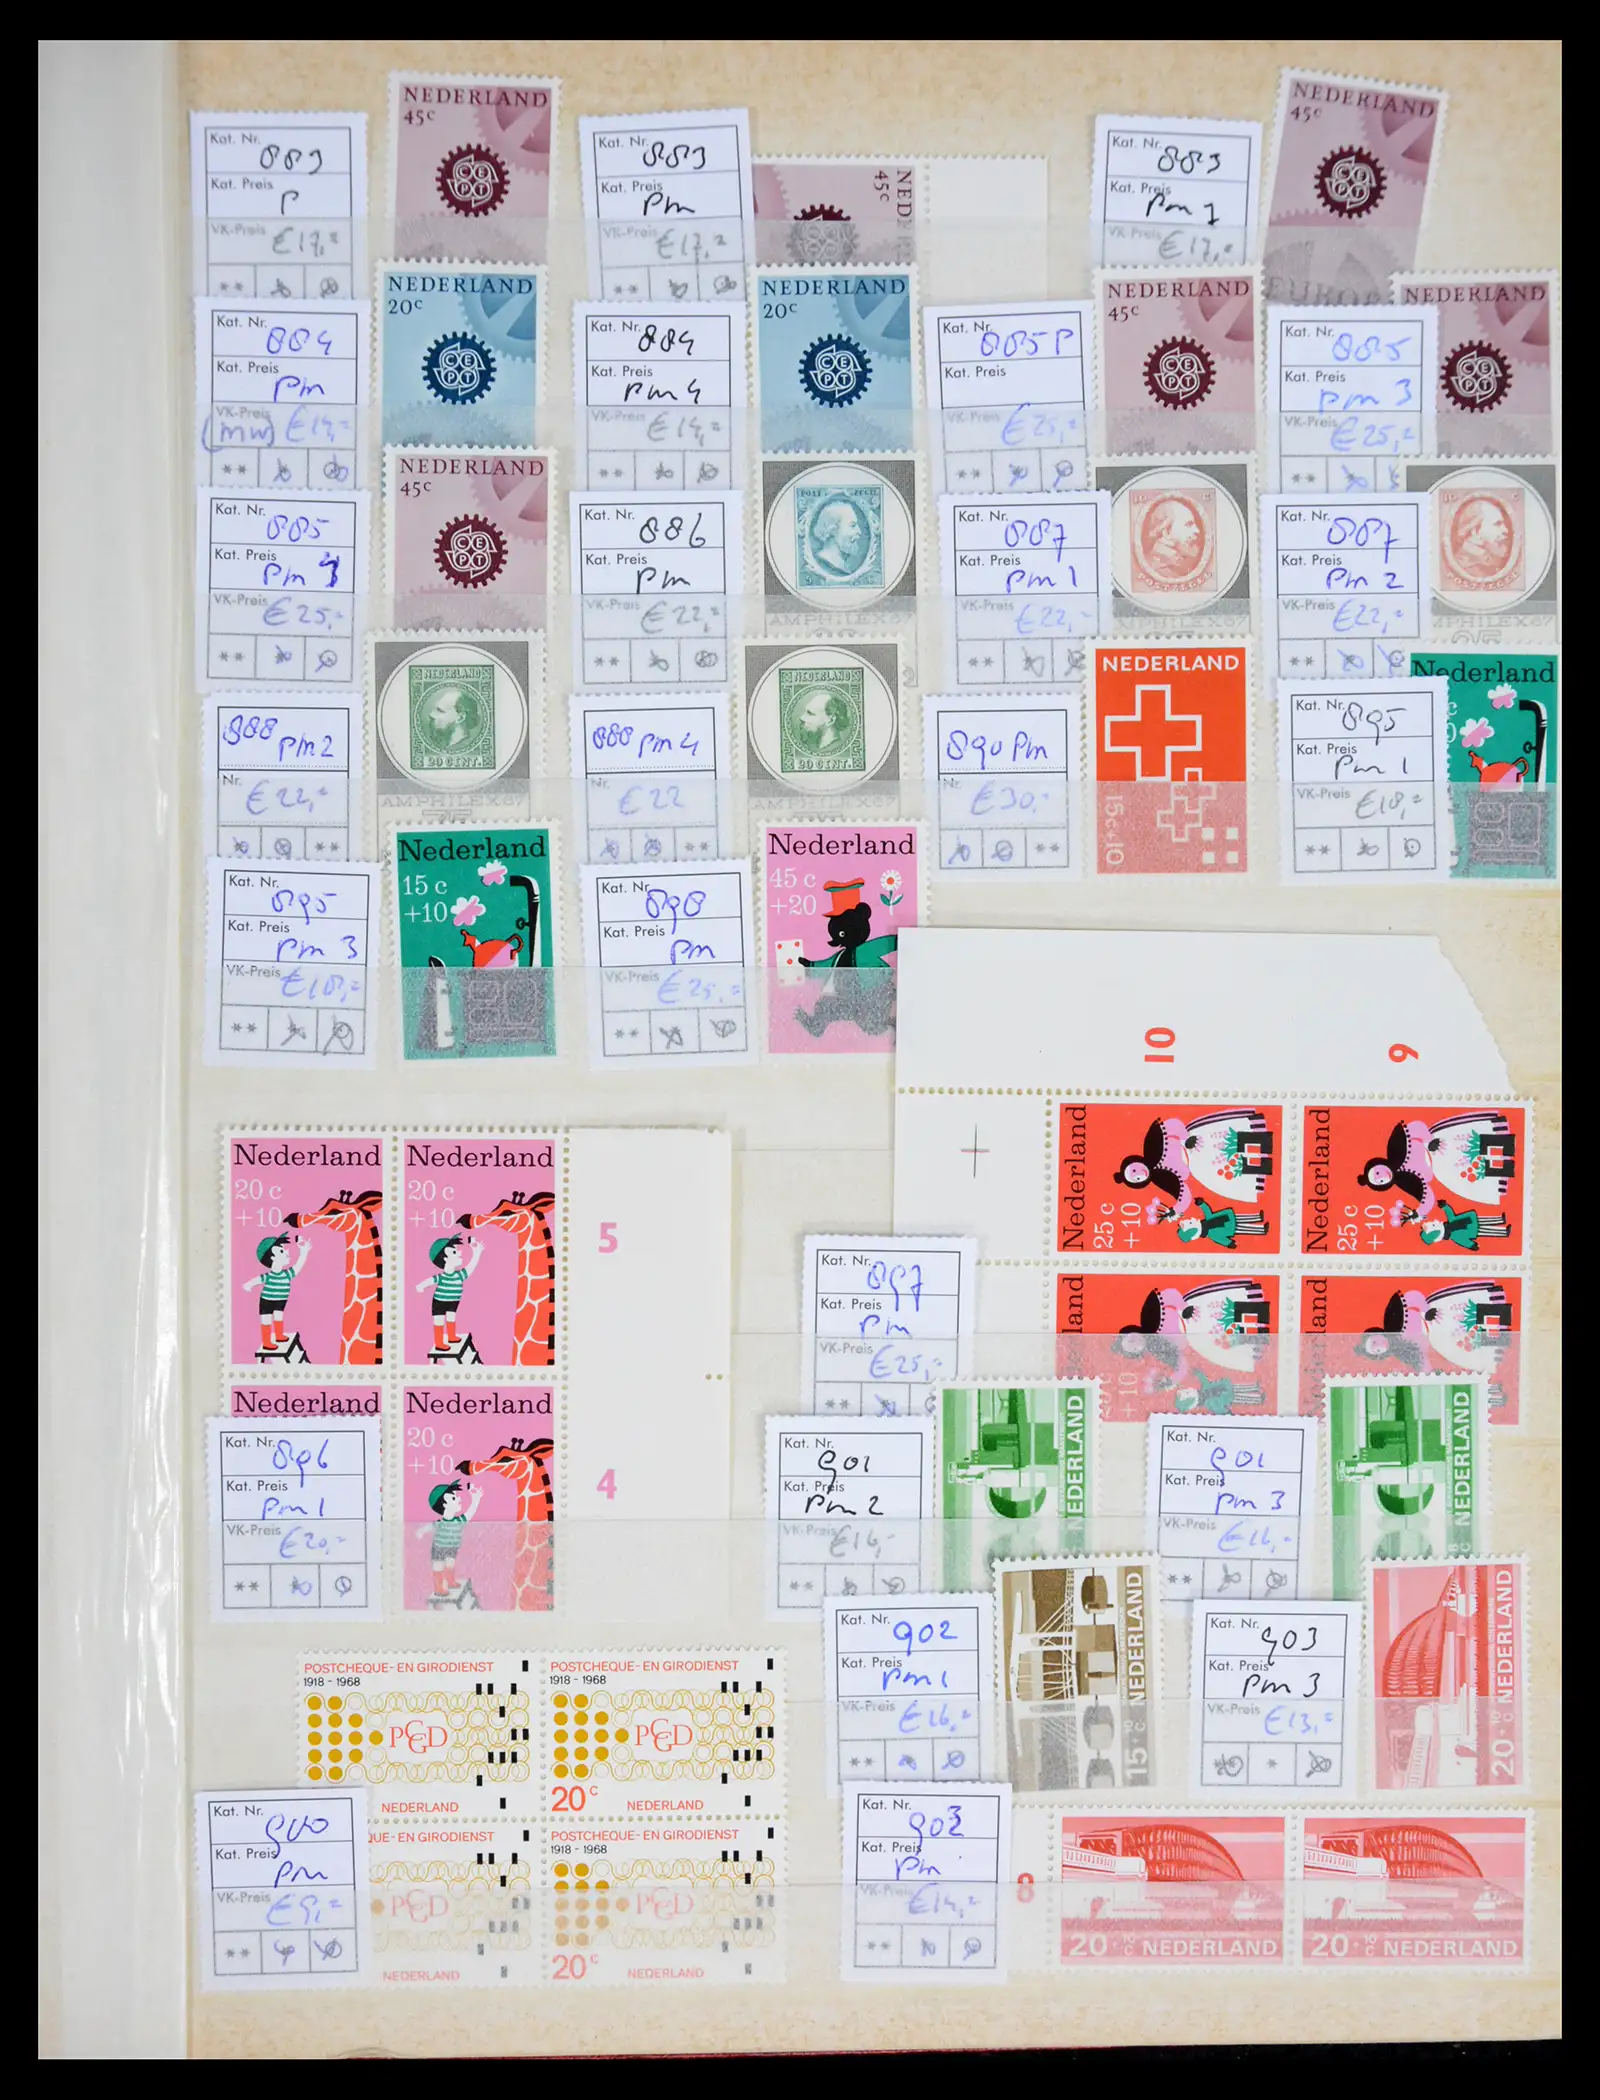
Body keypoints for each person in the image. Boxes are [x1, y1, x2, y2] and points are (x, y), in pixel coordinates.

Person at [796, 879, 898, 1038]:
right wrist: (809, 966)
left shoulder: (866, 950)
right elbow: (826, 966)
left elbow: (889, 943)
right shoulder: (840, 956)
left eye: (841, 933)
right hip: (848, 1002)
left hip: (868, 999)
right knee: (825, 1005)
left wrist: (907, 940)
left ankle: (889, 1024)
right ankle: (816, 1026)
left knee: (871, 1023)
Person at [241, 1232, 310, 1353]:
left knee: (279, 1315)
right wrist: (249, 1284)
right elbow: (259, 1279)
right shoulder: (269, 1276)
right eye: (282, 1251)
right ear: (272, 1258)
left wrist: (303, 1252)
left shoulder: (287, 1274)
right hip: (267, 1300)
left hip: (281, 1300)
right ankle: (266, 1342)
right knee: (266, 1319)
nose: (287, 1252)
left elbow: (298, 1267)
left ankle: (279, 1335)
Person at [415, 1233, 482, 1354]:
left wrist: (477, 1253)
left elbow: (470, 1267)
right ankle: (439, 1343)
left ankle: (451, 1336)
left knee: (451, 1317)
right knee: (439, 1320)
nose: (460, 1253)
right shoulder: (442, 1277)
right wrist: (421, 1286)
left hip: (453, 1300)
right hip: (439, 1301)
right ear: (444, 1258)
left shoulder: (459, 1275)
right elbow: (432, 1280)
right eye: (454, 1252)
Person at [425, 1477, 481, 1599]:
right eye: (454, 1498)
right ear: (444, 1505)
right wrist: (420, 1532)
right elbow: (430, 1526)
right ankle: (439, 1587)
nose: (459, 1499)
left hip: (452, 1547)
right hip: (439, 1547)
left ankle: (450, 1581)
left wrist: (476, 1500)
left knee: (450, 1563)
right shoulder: (440, 1523)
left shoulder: (459, 1521)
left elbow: (470, 1513)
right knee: (438, 1566)